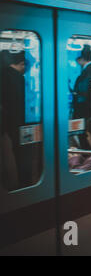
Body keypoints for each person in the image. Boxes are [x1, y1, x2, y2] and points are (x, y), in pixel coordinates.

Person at [0, 50, 29, 189]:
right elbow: (21, 103)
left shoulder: (3, 75)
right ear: (22, 64)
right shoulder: (18, 78)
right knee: (19, 154)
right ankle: (21, 183)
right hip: (18, 122)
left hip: (6, 123)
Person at [72, 45, 91, 149]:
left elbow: (83, 94)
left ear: (81, 60)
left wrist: (75, 95)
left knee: (84, 135)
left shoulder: (88, 71)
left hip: (85, 111)